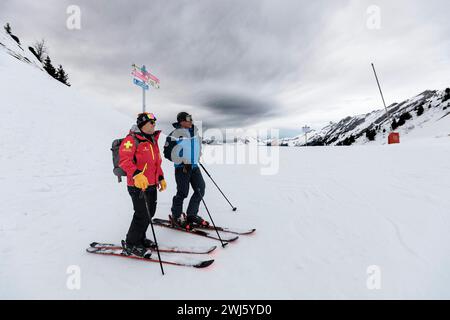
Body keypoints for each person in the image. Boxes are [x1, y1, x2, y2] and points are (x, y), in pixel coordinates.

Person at [119, 112, 167, 256]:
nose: (154, 125)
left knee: (150, 212)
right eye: (151, 123)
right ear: (142, 124)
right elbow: (124, 160)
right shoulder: (131, 140)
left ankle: (140, 237)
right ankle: (131, 244)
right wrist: (136, 174)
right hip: (137, 185)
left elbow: (156, 162)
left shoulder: (152, 140)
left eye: (154, 123)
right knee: (141, 213)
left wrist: (160, 177)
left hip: (151, 183)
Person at [163, 112, 209, 230]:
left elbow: (197, 147)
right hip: (182, 168)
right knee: (182, 193)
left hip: (194, 166)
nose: (191, 121)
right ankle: (176, 216)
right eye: (188, 119)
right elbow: (168, 153)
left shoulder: (194, 132)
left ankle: (191, 215)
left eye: (191, 118)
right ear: (181, 121)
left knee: (200, 189)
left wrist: (197, 156)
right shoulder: (174, 135)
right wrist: (183, 161)